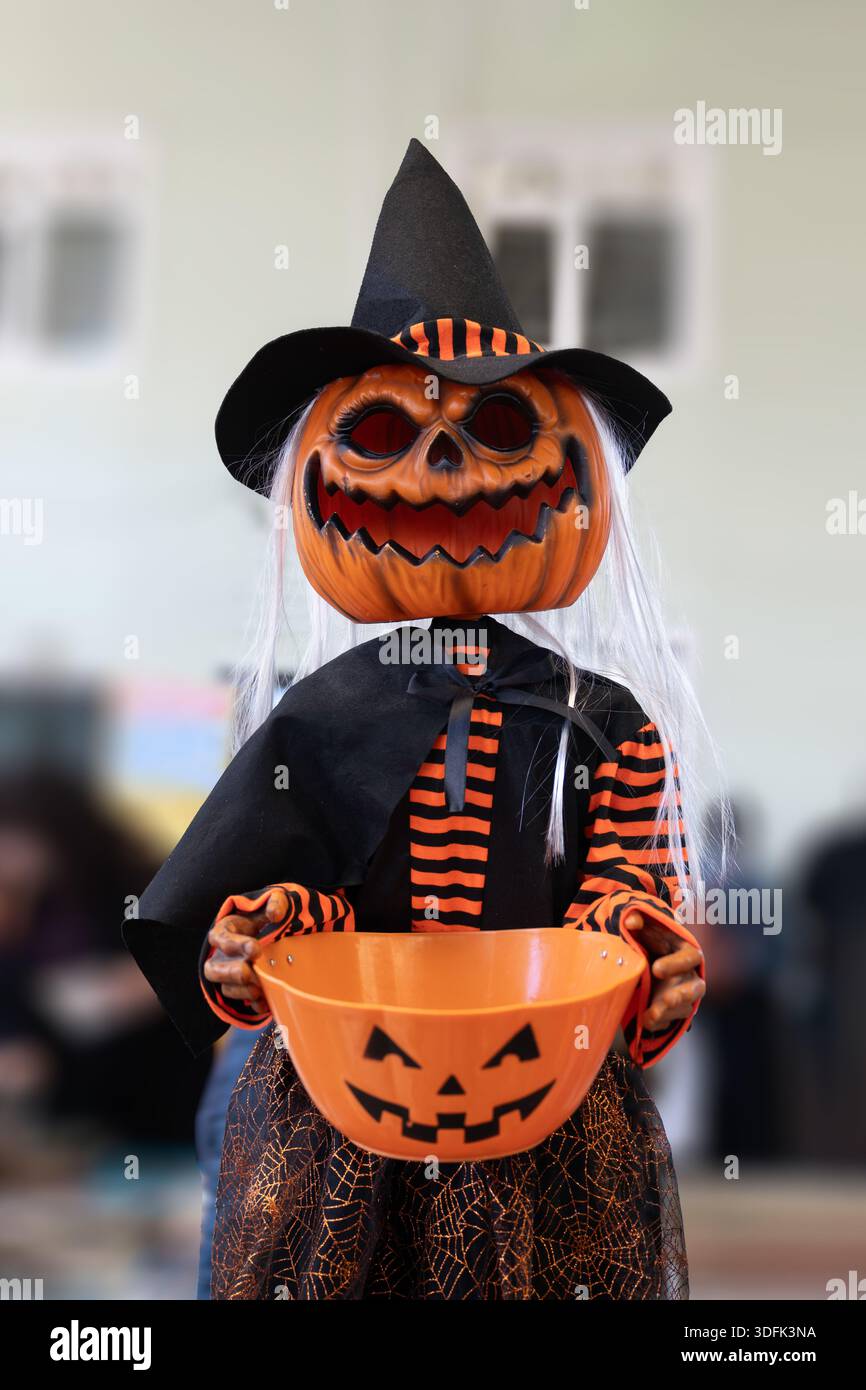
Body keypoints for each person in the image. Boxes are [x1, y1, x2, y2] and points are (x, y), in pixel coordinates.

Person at [125, 140, 716, 1300]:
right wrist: (257, 944)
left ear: (571, 476)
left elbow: (622, 890)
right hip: (341, 1113)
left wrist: (642, 952)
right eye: (386, 433)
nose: (443, 458)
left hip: (537, 1108)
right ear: (324, 474)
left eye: (499, 430)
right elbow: (273, 915)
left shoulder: (599, 724)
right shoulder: (319, 719)